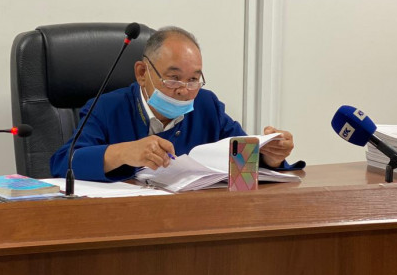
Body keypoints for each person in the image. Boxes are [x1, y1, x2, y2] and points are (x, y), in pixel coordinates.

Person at [50, 26, 303, 181]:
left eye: (193, 80)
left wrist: (271, 156)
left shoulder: (207, 105)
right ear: (142, 73)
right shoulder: (106, 107)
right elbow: (62, 163)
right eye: (173, 78)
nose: (184, 90)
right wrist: (124, 152)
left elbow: (243, 161)